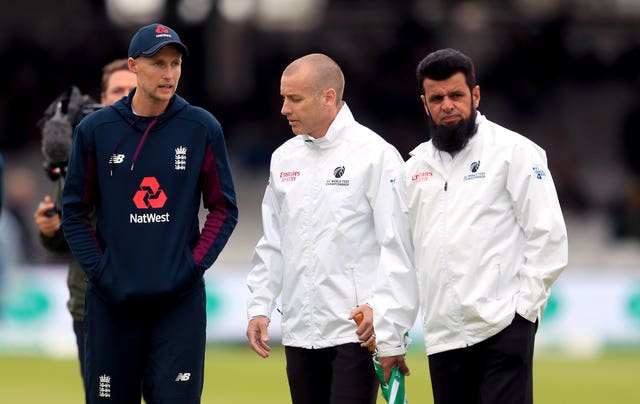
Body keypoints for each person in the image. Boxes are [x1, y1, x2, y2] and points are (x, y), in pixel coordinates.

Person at [373, 48, 569, 404]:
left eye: (456, 95)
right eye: (437, 98)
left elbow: (549, 236)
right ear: (424, 103)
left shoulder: (514, 152)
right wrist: (389, 339)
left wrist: (524, 314)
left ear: (475, 95)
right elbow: (399, 257)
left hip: (502, 329)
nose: (447, 105)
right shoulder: (413, 169)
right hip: (444, 339)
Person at [61, 23, 238, 403]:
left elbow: (224, 208)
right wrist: (101, 271)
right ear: (133, 66)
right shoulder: (95, 130)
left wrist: (191, 267)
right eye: (158, 63)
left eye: (175, 64)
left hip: (178, 306)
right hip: (112, 304)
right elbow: (74, 211)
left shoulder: (201, 127)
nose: (169, 73)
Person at [246, 53, 411, 404]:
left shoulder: (375, 155)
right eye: (283, 98)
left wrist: (382, 310)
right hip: (299, 332)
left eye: (295, 98)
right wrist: (260, 306)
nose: (284, 109)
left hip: (356, 332)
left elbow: (397, 244)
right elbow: (274, 241)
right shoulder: (283, 158)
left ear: (328, 97)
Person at [32, 58, 136, 386]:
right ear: (101, 100)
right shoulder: (82, 152)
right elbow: (68, 234)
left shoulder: (171, 148)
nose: (124, 96)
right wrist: (50, 230)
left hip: (154, 301)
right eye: (117, 90)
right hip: (90, 302)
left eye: (132, 90)